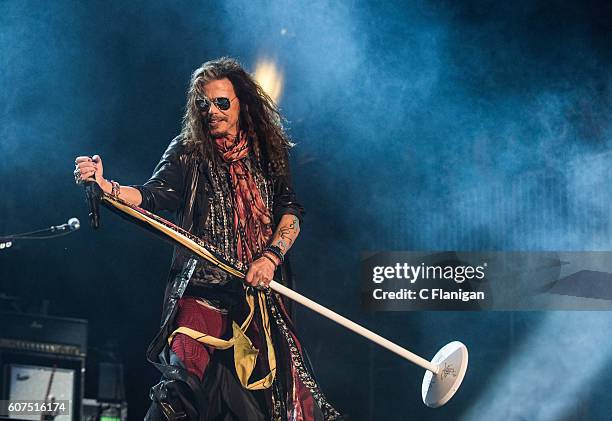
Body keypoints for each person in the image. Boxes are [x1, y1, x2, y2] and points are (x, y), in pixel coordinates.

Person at [74, 57, 341, 421]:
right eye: (203, 103)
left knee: (265, 406)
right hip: (202, 294)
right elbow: (153, 195)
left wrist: (270, 257)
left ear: (241, 104)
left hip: (255, 302)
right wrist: (108, 187)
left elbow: (290, 211)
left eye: (221, 102)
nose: (212, 111)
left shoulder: (267, 153)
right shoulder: (188, 150)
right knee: (177, 392)